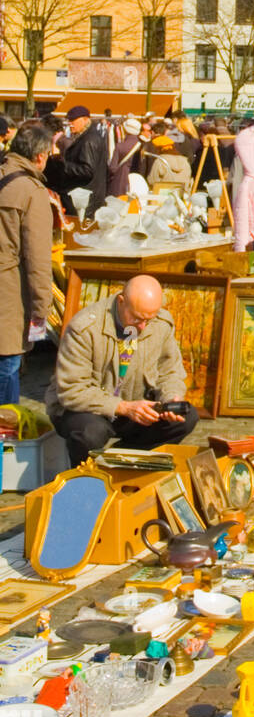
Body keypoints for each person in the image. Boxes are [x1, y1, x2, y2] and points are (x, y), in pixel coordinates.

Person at [46, 274, 198, 466]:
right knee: (90, 434)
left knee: (187, 417)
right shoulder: (84, 328)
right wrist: (124, 407)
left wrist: (171, 397)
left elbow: (170, 371)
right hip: (86, 410)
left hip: (134, 407)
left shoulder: (161, 323)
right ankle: (85, 476)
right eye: (136, 318)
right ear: (121, 301)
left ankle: (124, 461)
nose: (142, 327)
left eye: (149, 320)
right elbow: (72, 391)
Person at [0, 121, 55, 405]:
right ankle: (4, 444)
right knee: (6, 368)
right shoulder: (32, 191)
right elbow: (38, 260)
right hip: (8, 291)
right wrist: (41, 308)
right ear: (40, 156)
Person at [44, 105, 108, 219]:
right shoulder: (89, 136)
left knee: (81, 234)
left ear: (85, 119)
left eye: (73, 120)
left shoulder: (88, 140)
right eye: (69, 120)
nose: (70, 123)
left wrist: (62, 165)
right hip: (86, 199)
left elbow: (87, 170)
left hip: (84, 203)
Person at [141, 122, 193, 190]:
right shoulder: (185, 161)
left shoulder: (160, 161)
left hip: (163, 195)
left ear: (159, 149)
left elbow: (152, 181)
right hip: (181, 195)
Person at [107, 117, 144, 196]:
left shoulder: (120, 146)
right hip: (138, 183)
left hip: (120, 182)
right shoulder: (143, 145)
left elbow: (112, 168)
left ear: (125, 130)